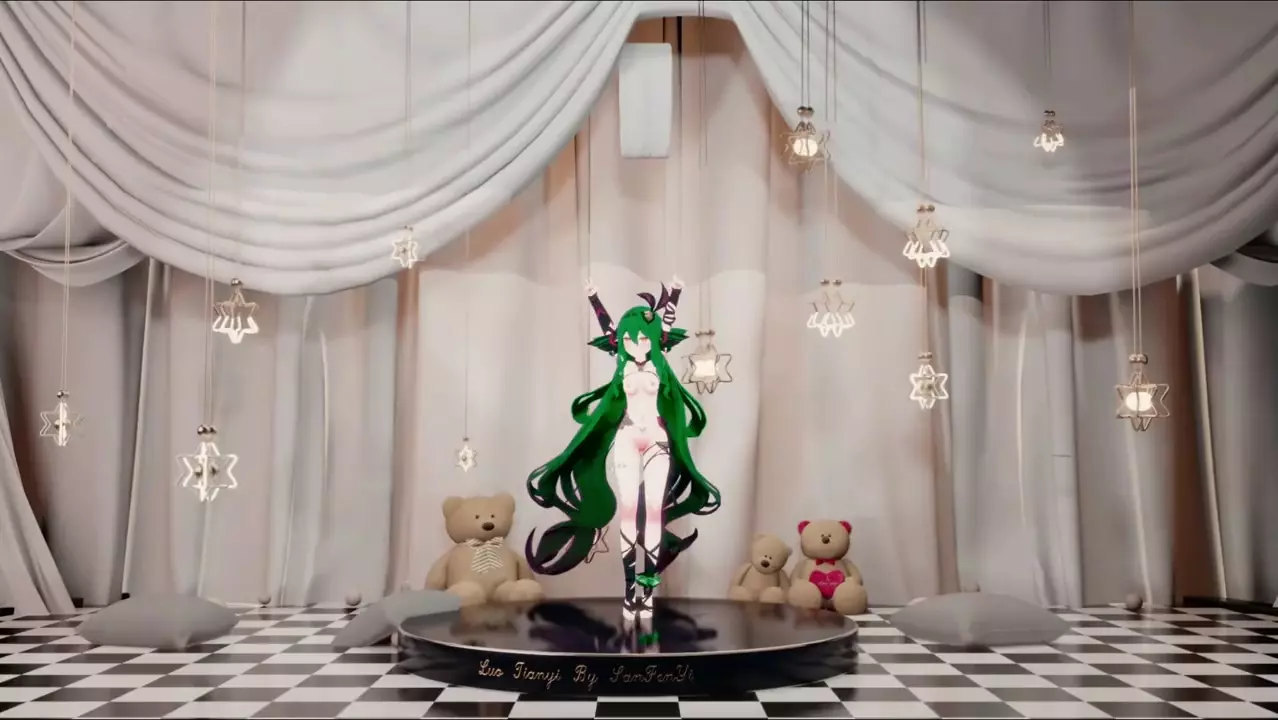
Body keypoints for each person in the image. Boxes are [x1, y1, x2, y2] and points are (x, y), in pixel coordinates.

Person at [525, 278, 722, 620]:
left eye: (643, 338)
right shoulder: (622, 365)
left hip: (657, 441)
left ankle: (648, 589)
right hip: (628, 440)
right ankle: (632, 590)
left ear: (654, 339)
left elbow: (667, 321)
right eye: (629, 339)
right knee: (629, 514)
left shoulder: (660, 363)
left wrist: (675, 293)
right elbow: (608, 326)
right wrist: (593, 297)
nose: (635, 344)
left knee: (654, 514)